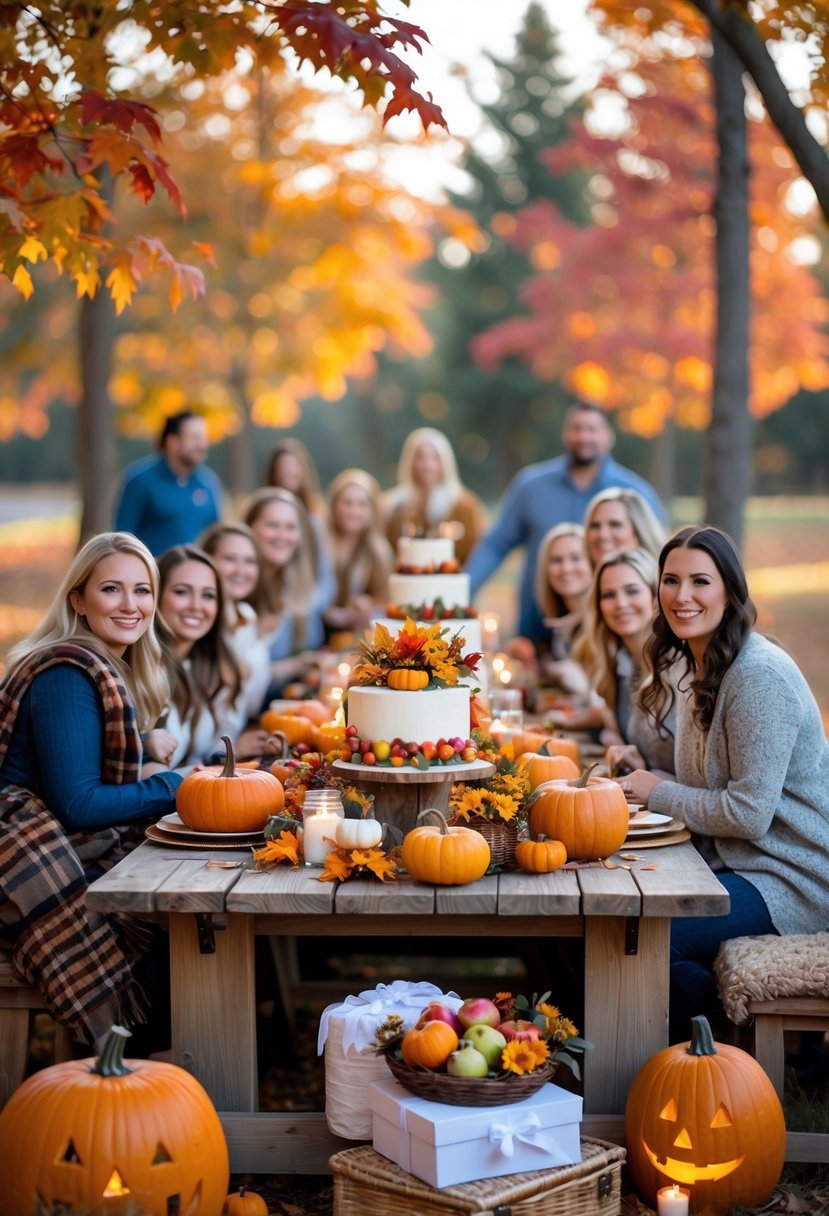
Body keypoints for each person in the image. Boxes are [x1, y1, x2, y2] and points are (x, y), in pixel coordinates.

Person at [616, 526, 829, 1041]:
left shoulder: (758, 677)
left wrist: (657, 791)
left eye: (700, 581)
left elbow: (748, 812)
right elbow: (706, 783)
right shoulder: (702, 664)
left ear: (730, 592)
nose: (682, 596)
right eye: (670, 580)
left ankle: (734, 1048)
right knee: (620, 921)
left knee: (648, 938)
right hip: (735, 864)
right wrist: (637, 781)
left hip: (789, 880)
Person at [0, 532, 185, 1046]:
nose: (131, 605)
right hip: (24, 862)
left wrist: (144, 752)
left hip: (60, 837)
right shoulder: (66, 673)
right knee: (172, 922)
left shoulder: (103, 666)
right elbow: (79, 804)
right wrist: (177, 785)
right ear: (78, 600)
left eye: (142, 590)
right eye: (112, 590)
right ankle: (133, 1065)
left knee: (189, 906)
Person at [466, 401, 665, 642]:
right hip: (537, 621)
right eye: (576, 428)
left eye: (592, 429)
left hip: (608, 628)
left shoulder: (634, 493)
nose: (583, 436)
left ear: (607, 436)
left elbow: (655, 557)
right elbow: (495, 545)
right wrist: (462, 593)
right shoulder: (531, 486)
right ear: (565, 433)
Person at [563, 548, 676, 772]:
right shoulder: (619, 668)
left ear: (655, 597)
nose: (621, 603)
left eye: (632, 591)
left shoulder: (678, 666)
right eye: (609, 595)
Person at [156, 546, 271, 765]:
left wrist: (231, 749)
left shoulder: (199, 666)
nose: (196, 606)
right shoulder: (146, 672)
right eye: (182, 592)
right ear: (156, 594)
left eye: (208, 595)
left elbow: (196, 756)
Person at [243, 488, 330, 696]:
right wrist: (293, 666)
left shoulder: (294, 585)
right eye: (272, 525)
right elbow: (237, 675)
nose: (282, 536)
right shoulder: (238, 586)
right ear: (249, 528)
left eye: (290, 527)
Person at [113, 411, 222, 555]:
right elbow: (123, 538)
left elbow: (216, 536)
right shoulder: (140, 480)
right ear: (172, 442)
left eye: (203, 438)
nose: (202, 445)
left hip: (196, 574)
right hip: (155, 574)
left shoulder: (208, 483)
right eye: (195, 438)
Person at [198, 521, 272, 720]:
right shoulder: (196, 622)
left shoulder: (246, 615)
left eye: (249, 561)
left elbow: (250, 705)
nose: (241, 570)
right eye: (230, 559)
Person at [381, 427, 486, 565]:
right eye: (420, 457)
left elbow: (478, 550)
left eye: (435, 457)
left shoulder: (464, 505)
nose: (428, 465)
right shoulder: (394, 507)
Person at [323, 468, 393, 641]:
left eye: (362, 504)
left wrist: (368, 603)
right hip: (320, 630)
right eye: (347, 503)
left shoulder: (379, 551)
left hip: (355, 638)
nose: (354, 511)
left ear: (372, 510)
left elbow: (386, 600)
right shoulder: (320, 543)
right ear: (334, 505)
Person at [532, 523, 592, 693]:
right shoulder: (559, 625)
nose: (566, 568)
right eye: (557, 560)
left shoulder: (607, 620)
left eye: (576, 558)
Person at [583, 486, 665, 570]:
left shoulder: (662, 581)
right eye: (595, 526)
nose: (603, 535)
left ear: (638, 532)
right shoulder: (576, 580)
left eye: (615, 525)